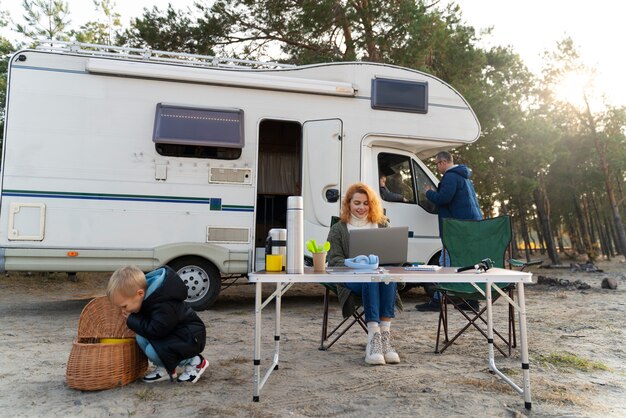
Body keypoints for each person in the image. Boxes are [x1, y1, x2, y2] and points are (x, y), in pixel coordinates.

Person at [327, 182, 401, 365]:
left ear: (372, 204)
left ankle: (385, 337)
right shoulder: (338, 229)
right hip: (353, 280)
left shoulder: (382, 224)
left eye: (366, 203)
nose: (361, 207)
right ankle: (373, 339)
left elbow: (395, 257)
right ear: (348, 204)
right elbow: (333, 259)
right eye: (357, 203)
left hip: (381, 278)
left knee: (386, 277)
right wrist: (357, 264)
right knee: (370, 277)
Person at [107, 265, 209, 383]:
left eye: (124, 306)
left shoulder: (163, 304)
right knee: (141, 337)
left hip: (190, 338)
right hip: (174, 335)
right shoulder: (147, 298)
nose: (123, 311)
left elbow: (157, 330)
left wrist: (132, 320)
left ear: (140, 294)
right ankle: (165, 368)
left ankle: (195, 362)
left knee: (153, 350)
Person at [416, 151, 483, 311]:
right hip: (468, 226)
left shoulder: (451, 176)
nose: (437, 167)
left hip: (456, 229)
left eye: (436, 164)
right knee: (465, 263)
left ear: (443, 162)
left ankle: (438, 301)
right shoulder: (464, 177)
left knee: (445, 262)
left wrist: (428, 192)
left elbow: (443, 198)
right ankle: (471, 301)